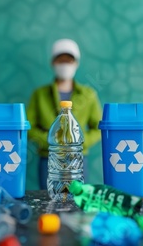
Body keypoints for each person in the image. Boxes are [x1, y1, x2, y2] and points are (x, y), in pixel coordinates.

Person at [27, 38, 102, 189]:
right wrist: (50, 141)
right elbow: (29, 126)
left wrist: (80, 142)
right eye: (60, 60)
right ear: (52, 63)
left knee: (76, 201)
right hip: (48, 158)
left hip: (77, 159)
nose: (65, 65)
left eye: (69, 60)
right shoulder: (40, 94)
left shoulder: (88, 95)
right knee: (48, 201)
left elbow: (99, 127)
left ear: (76, 64)